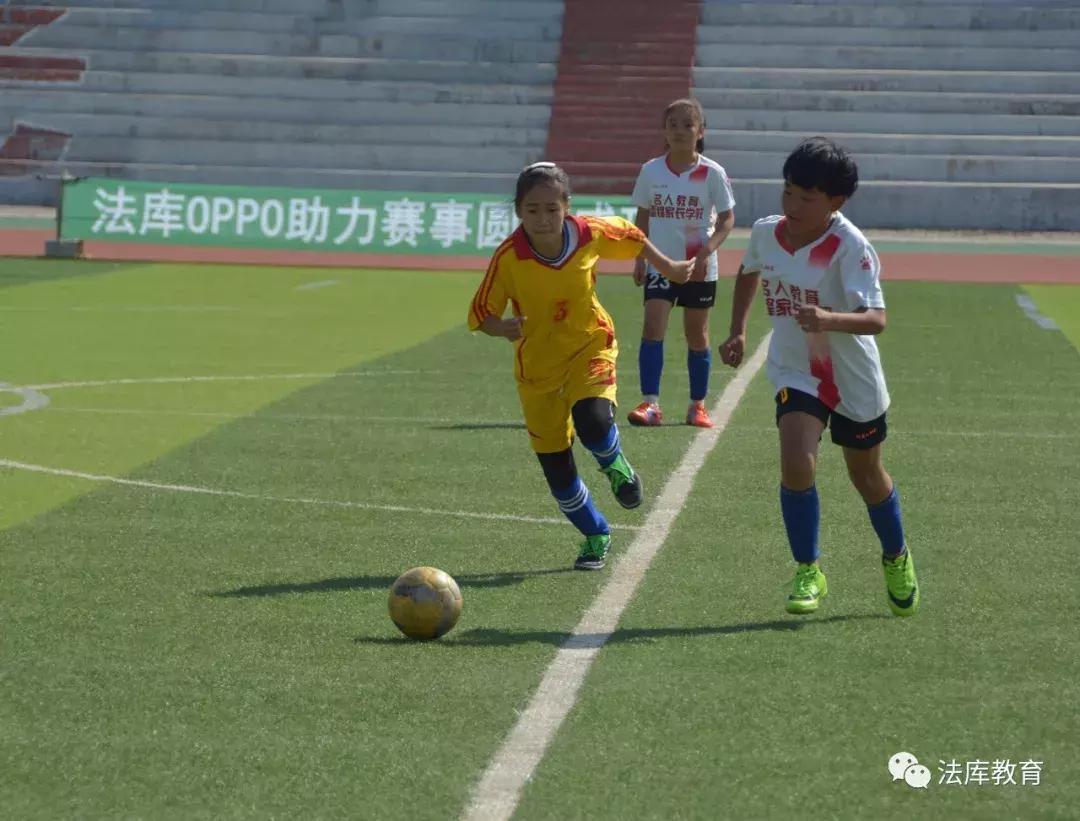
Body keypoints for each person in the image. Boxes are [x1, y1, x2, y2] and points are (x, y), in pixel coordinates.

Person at [718, 137, 919, 616]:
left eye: (806, 198)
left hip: (852, 379)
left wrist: (829, 319)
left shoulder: (851, 247)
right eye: (788, 192)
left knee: (866, 477)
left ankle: (896, 555)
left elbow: (876, 319)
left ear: (835, 202)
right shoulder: (767, 232)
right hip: (797, 371)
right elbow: (749, 271)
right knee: (797, 463)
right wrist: (738, 330)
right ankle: (808, 569)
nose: (792, 205)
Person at [468, 162, 695, 570]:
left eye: (551, 209)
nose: (543, 218)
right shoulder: (509, 258)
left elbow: (634, 237)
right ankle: (595, 533)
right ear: (519, 211)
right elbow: (482, 312)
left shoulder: (589, 232)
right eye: (532, 209)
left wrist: (671, 268)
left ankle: (615, 464)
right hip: (538, 370)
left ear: (567, 207)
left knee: (593, 422)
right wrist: (502, 328)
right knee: (558, 470)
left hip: (590, 346)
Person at [627, 98, 736, 429]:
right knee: (652, 327)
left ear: (700, 132)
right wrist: (639, 257)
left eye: (687, 125)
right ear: (664, 130)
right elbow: (642, 216)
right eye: (672, 124)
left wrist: (707, 251)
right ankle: (651, 403)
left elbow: (727, 219)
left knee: (696, 334)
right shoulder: (651, 171)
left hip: (698, 268)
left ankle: (697, 405)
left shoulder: (712, 173)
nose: (679, 131)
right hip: (660, 264)